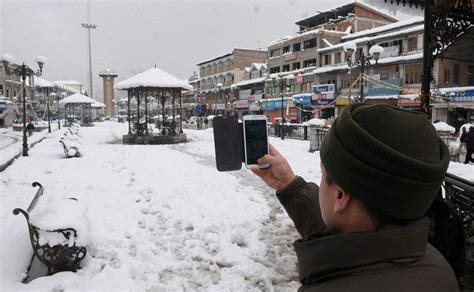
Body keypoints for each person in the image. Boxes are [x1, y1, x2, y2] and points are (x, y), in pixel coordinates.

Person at [251, 103, 458, 291]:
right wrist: (288, 184)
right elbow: (345, 239)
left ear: (340, 194)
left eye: (323, 174)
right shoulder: (438, 269)